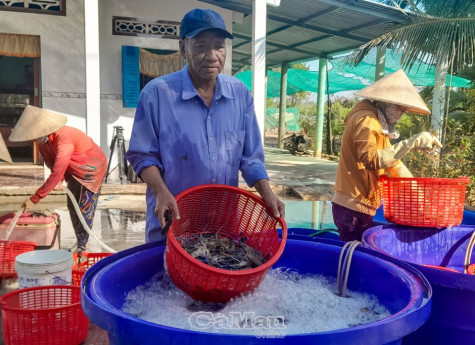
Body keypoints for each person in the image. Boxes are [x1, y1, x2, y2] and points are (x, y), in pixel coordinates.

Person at [126, 8, 285, 243]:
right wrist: (161, 191)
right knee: (167, 278)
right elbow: (143, 156)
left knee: (221, 275)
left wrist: (268, 194)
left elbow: (251, 159)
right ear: (183, 48)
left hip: (223, 226)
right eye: (201, 46)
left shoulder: (240, 95)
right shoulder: (157, 94)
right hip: (174, 219)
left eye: (219, 46)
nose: (212, 55)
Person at [332, 69, 442, 242]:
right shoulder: (366, 120)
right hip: (352, 205)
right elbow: (371, 159)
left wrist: (421, 198)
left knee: (360, 253)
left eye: (404, 109)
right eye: (399, 107)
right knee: (355, 256)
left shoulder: (379, 123)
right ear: (384, 101)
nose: (401, 113)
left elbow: (394, 163)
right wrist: (411, 142)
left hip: (361, 205)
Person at [9, 105, 107, 252]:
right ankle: (81, 243)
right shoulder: (43, 143)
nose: (33, 140)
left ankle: (82, 246)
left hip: (91, 168)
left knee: (85, 208)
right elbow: (51, 163)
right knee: (72, 207)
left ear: (43, 130)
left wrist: (35, 198)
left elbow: (58, 169)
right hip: (73, 168)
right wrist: (59, 180)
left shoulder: (64, 139)